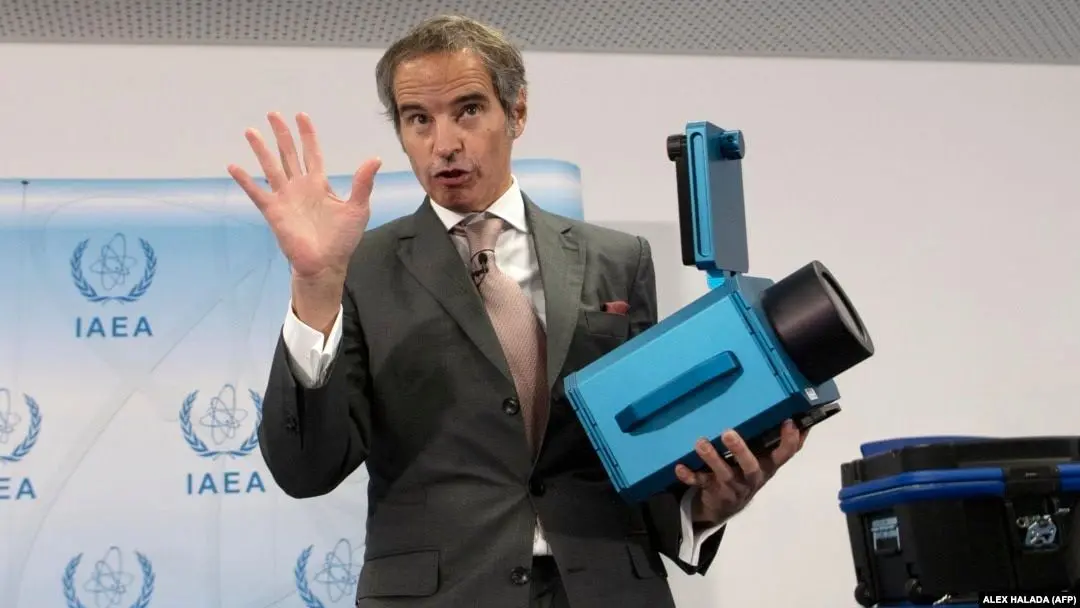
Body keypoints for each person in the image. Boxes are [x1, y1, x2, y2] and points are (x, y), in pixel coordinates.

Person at [229, 14, 807, 608]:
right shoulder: (360, 267)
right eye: (419, 119)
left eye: (468, 110)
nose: (444, 143)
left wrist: (704, 506)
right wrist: (315, 286)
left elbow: (640, 443)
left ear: (517, 112)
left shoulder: (618, 259)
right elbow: (306, 470)